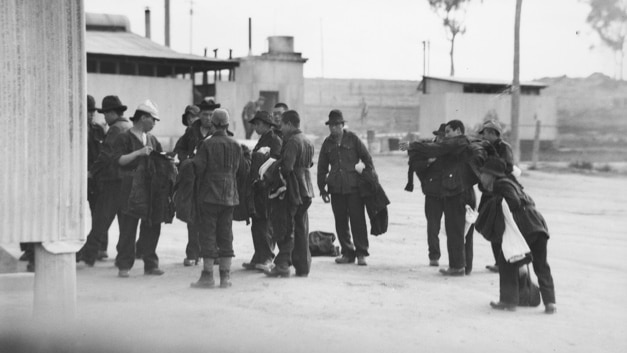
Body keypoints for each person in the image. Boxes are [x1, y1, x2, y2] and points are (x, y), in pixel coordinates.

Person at [476, 157, 557, 314]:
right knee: (541, 265)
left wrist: (498, 202)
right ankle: (550, 302)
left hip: (525, 227)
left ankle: (508, 301)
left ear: (491, 174)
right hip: (538, 226)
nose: (481, 176)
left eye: (483, 173)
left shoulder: (501, 184)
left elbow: (513, 202)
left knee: (506, 261)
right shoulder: (512, 183)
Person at [400, 120, 478, 276]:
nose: (446, 136)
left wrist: (412, 145)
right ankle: (464, 266)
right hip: (463, 190)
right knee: (463, 231)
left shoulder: (457, 142)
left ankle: (457, 267)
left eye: (448, 132)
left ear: (457, 131)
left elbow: (437, 148)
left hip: (458, 193)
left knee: (455, 230)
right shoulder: (462, 143)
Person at [113, 100, 174, 278]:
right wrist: (138, 153)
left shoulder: (152, 140)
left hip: (151, 189)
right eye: (153, 120)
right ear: (143, 118)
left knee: (152, 225)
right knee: (128, 227)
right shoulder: (124, 137)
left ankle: (151, 263)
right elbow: (119, 160)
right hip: (130, 187)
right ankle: (124, 264)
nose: (154, 124)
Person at [191, 109, 245, 288]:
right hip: (229, 196)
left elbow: (198, 169)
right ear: (228, 125)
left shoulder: (206, 145)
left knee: (208, 235)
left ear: (213, 125)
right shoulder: (236, 144)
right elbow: (239, 170)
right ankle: (225, 277)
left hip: (209, 196)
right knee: (226, 235)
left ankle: (207, 276)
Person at [77, 95, 132, 266]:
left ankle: (88, 255)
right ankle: (124, 258)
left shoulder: (115, 129)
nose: (104, 118)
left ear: (112, 113)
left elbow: (105, 154)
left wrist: (92, 172)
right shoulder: (128, 126)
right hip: (127, 181)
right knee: (125, 223)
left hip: (113, 180)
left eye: (105, 113)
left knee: (100, 219)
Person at [317, 109, 374, 266]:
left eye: (337, 124)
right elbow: (322, 168)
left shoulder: (353, 139)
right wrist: (322, 189)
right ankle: (347, 253)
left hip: (354, 188)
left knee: (358, 221)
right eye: (331, 125)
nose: (334, 128)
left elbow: (367, 159)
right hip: (336, 189)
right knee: (341, 222)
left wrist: (366, 176)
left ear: (342, 125)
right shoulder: (327, 143)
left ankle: (361, 253)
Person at [264, 110, 315, 278]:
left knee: (288, 227)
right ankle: (303, 267)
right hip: (307, 188)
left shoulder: (293, 141)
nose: (281, 128)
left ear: (290, 124)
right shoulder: (308, 140)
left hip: (294, 189)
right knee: (302, 228)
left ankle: (283, 264)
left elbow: (287, 167)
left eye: (283, 125)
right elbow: (310, 163)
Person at [172, 98, 220, 266]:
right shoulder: (191, 132)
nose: (208, 118)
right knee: (193, 218)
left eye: (211, 114)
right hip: (193, 181)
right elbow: (179, 150)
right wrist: (189, 161)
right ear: (199, 115)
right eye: (205, 114)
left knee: (212, 218)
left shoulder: (219, 132)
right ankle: (192, 253)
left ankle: (212, 253)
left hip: (213, 182)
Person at [241, 111, 282, 272]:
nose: (256, 127)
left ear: (266, 124)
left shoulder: (275, 140)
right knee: (257, 223)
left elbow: (276, 164)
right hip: (257, 188)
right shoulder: (263, 140)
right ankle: (258, 256)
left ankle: (267, 257)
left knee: (266, 224)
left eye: (258, 124)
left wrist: (265, 182)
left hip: (266, 188)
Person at [406, 123, 446, 267]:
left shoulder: (450, 149)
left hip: (449, 193)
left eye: (444, 136)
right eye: (440, 136)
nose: (442, 139)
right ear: (437, 136)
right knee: (433, 227)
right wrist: (429, 161)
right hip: (433, 194)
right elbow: (404, 147)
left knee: (453, 228)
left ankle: (457, 258)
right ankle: (434, 256)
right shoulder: (426, 148)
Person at [478, 119, 515, 273]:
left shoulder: (503, 148)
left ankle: (503, 263)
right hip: (488, 192)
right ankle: (498, 262)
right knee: (492, 227)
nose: (484, 136)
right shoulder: (485, 146)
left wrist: (491, 155)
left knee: (500, 228)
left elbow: (507, 167)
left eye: (486, 133)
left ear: (494, 133)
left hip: (500, 193)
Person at [86, 94, 108, 259]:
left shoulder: (99, 129)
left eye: (92, 111)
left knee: (99, 212)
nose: (91, 114)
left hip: (96, 178)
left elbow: (104, 153)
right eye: (88, 111)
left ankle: (101, 248)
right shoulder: (72, 128)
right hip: (78, 178)